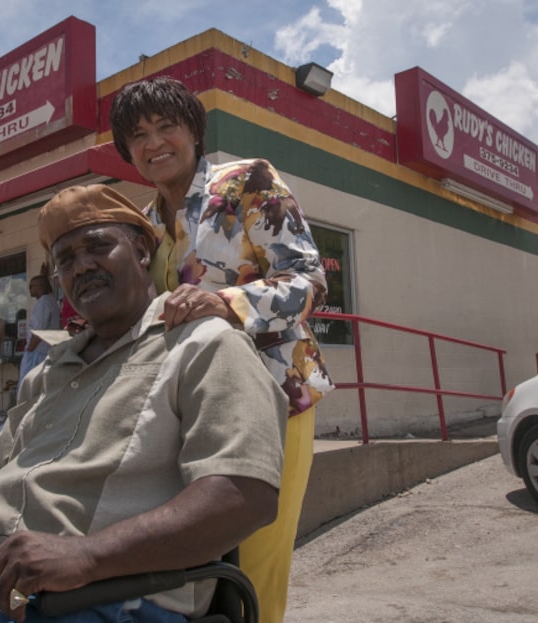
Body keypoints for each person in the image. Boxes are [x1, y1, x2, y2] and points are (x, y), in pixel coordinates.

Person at [0, 184, 289, 623]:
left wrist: (86, 556)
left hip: (88, 598)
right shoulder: (47, 372)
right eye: (64, 260)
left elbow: (243, 497)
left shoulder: (204, 345)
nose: (80, 266)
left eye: (98, 247)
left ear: (143, 251)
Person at [109, 76, 334, 622]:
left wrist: (227, 303)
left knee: (253, 566)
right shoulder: (141, 224)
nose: (154, 142)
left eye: (167, 126)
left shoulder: (247, 181)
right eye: (138, 134)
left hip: (274, 394)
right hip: (188, 410)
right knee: (197, 572)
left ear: (194, 132)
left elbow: (310, 282)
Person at [17, 275, 60, 382]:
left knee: (28, 385)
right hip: (47, 350)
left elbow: (38, 331)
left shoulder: (44, 302)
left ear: (40, 287)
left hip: (38, 352)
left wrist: (29, 351)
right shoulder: (51, 300)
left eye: (32, 286)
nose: (30, 289)